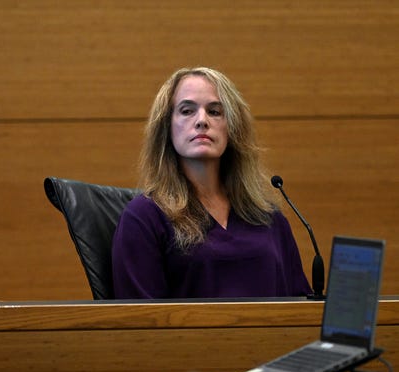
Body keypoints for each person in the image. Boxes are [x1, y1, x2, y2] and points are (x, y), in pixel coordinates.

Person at [112, 67, 312, 299]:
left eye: (215, 112)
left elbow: (300, 309)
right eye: (187, 111)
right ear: (167, 128)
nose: (202, 121)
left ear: (232, 127)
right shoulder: (144, 218)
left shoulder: (267, 216)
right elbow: (139, 324)